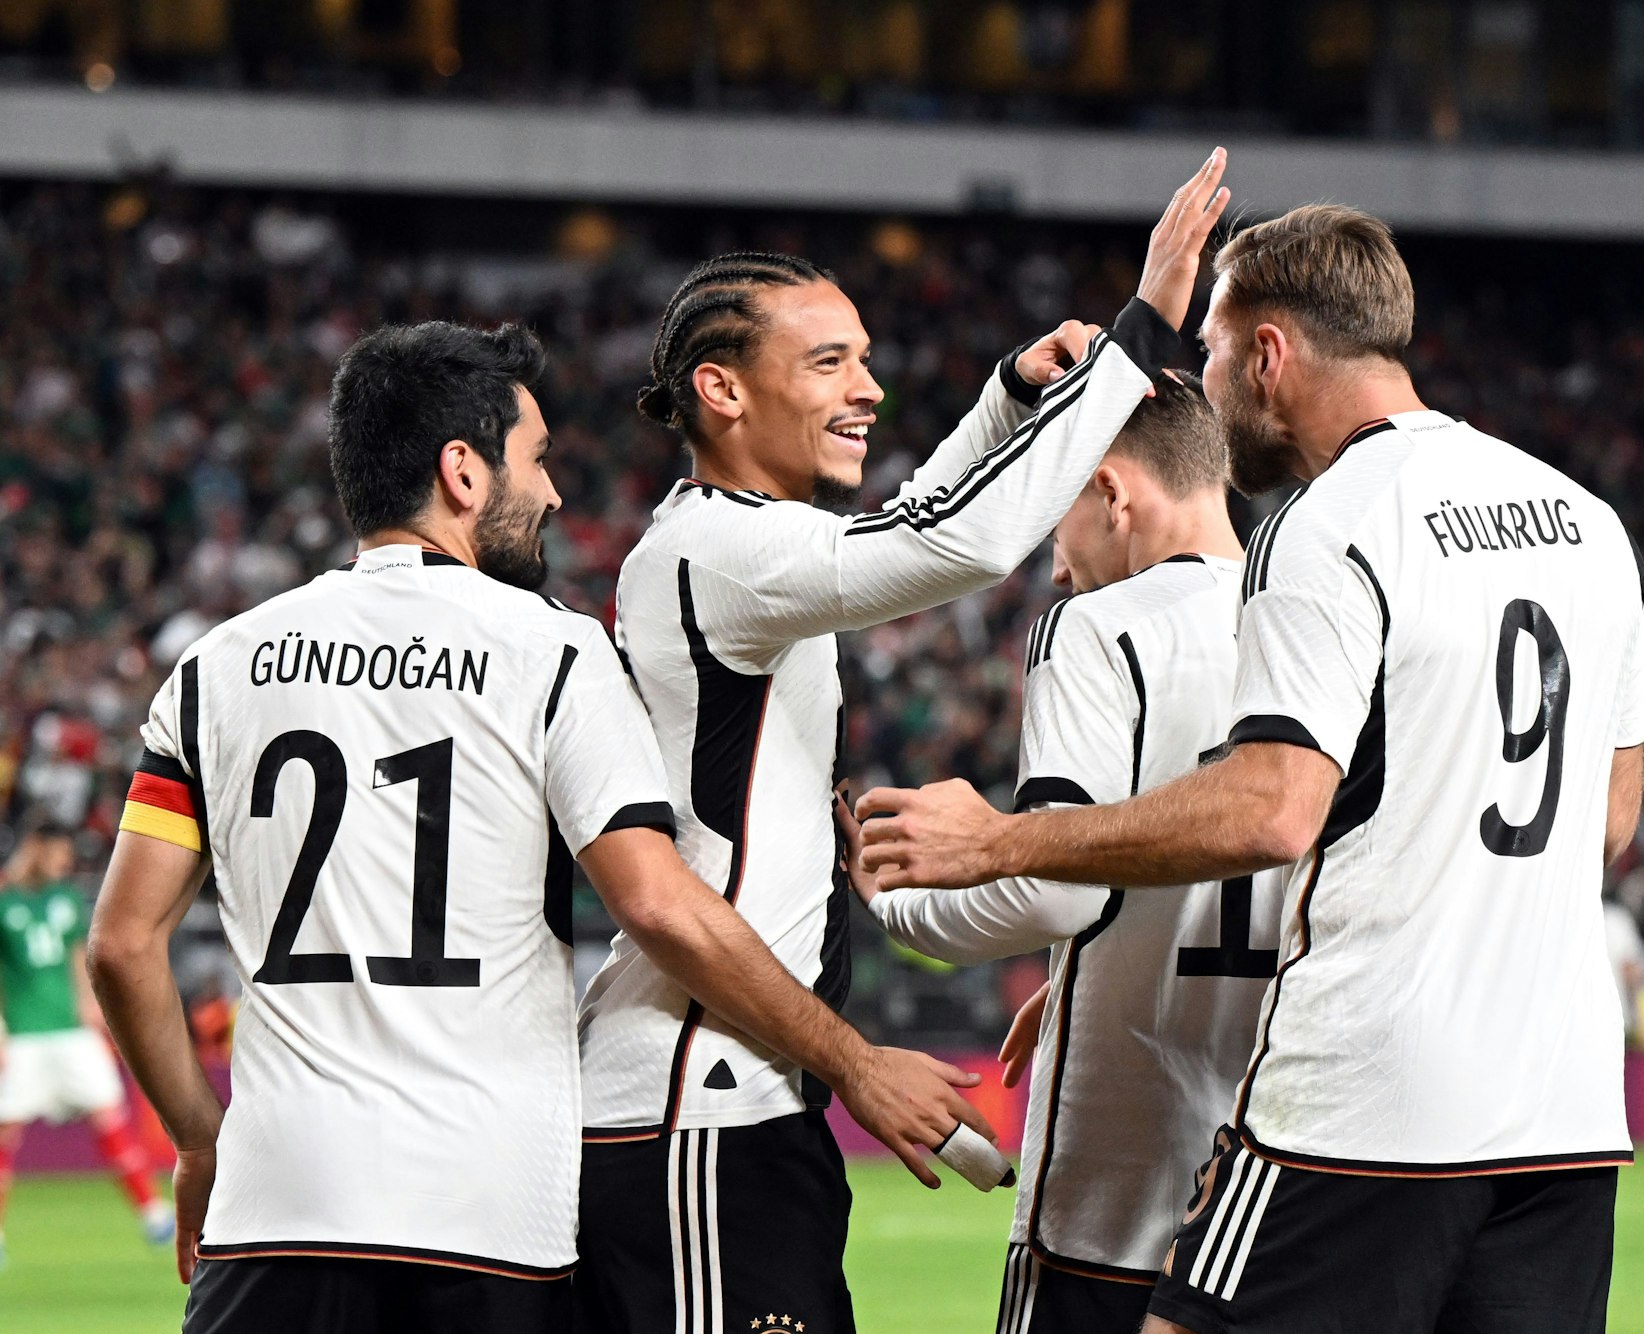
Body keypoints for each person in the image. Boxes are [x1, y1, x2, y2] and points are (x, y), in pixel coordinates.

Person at [85, 321, 994, 1334]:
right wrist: (854, 1060)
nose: (557, 492)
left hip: (274, 1212)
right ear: (463, 473)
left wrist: (203, 1142)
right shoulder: (554, 652)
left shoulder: (216, 665)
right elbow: (653, 899)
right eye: (539, 458)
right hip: (490, 1219)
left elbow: (122, 943)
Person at [857, 204, 1644, 1334]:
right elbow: (1608, 822)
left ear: (1269, 354)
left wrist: (999, 841)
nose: (1210, 382)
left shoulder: (1332, 519)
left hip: (1371, 1099)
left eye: (1216, 352)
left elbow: (1276, 810)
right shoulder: (1593, 523)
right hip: (1563, 1110)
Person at [575, 154, 1232, 1334]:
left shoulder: (742, 545)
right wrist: (1138, 334)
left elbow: (903, 521)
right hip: (693, 1108)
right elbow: (955, 547)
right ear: (721, 393)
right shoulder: (720, 551)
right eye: (830, 362)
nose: (867, 386)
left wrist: (1000, 401)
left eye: (867, 357)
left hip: (735, 1102)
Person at [846, 377, 1288, 1333]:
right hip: (1286, 1196)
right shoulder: (1319, 620)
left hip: (1120, 1188)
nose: (1053, 569)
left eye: (1055, 526)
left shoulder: (1097, 627)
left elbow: (1051, 896)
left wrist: (895, 902)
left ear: (1109, 492)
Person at [0, 820, 173, 1267]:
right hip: (24, 1035)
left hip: (72, 1032)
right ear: (34, 850)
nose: (65, 862)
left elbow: (79, 957)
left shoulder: (64, 899)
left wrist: (91, 1008)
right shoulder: (5, 903)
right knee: (6, 1134)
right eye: (57, 853)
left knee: (109, 1118)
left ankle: (153, 1214)